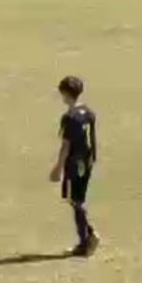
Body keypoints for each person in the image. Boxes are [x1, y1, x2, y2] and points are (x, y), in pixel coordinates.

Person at [49, 76, 101, 257]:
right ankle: (88, 237)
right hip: (87, 162)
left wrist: (57, 168)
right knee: (77, 199)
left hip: (74, 164)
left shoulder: (69, 118)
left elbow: (66, 146)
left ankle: (87, 239)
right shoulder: (89, 112)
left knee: (75, 201)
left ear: (65, 94)